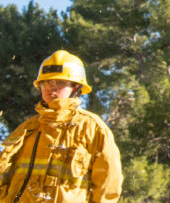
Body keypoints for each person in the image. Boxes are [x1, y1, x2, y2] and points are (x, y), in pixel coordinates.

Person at [0, 50, 123, 202]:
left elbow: (108, 187)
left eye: (59, 82)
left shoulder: (93, 129)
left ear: (76, 87)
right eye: (46, 82)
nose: (50, 87)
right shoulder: (27, 129)